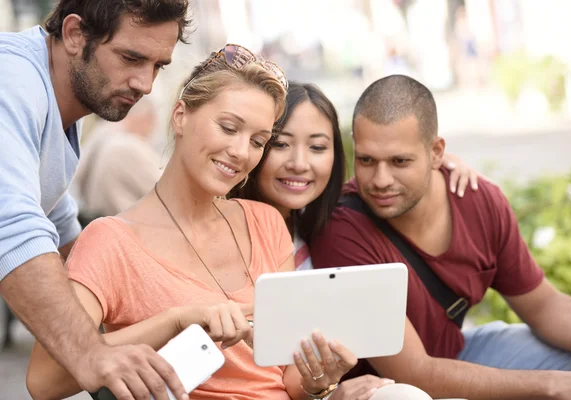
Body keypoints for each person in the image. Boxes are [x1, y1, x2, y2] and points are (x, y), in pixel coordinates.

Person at [27, 44, 368, 400]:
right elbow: (44, 380)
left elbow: (287, 379)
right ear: (180, 116)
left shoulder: (266, 223)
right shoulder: (111, 241)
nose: (241, 152)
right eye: (228, 127)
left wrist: (319, 381)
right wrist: (175, 322)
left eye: (257, 141)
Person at [309, 74, 571, 400]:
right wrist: (558, 387)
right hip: (390, 389)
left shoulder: (480, 199)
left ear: (436, 152)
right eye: (366, 160)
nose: (380, 179)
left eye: (400, 161)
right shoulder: (342, 228)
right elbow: (414, 374)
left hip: (459, 357)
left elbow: (544, 306)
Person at [0, 1, 195, 399]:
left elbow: (63, 230)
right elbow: (12, 223)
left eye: (158, 66)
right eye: (131, 57)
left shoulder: (56, 108)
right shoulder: (12, 80)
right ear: (74, 34)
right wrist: (91, 353)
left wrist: (174, 312)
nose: (145, 84)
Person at [231, 82, 478, 271]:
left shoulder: (322, 222)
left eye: (317, 147)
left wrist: (439, 163)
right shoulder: (228, 230)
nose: (299, 164)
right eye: (281, 144)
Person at [73, 97, 162, 218]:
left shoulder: (101, 137)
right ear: (146, 119)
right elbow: (166, 191)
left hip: (98, 219)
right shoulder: (129, 146)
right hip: (125, 225)